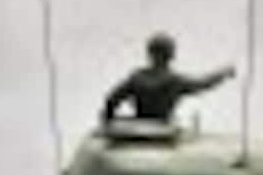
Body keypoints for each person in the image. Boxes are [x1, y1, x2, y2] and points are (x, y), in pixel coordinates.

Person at [100, 32, 236, 124]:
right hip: (164, 128)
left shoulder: (137, 78)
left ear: (149, 54)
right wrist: (223, 74)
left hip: (139, 126)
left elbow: (111, 100)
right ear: (171, 56)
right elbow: (203, 84)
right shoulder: (175, 81)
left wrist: (108, 119)